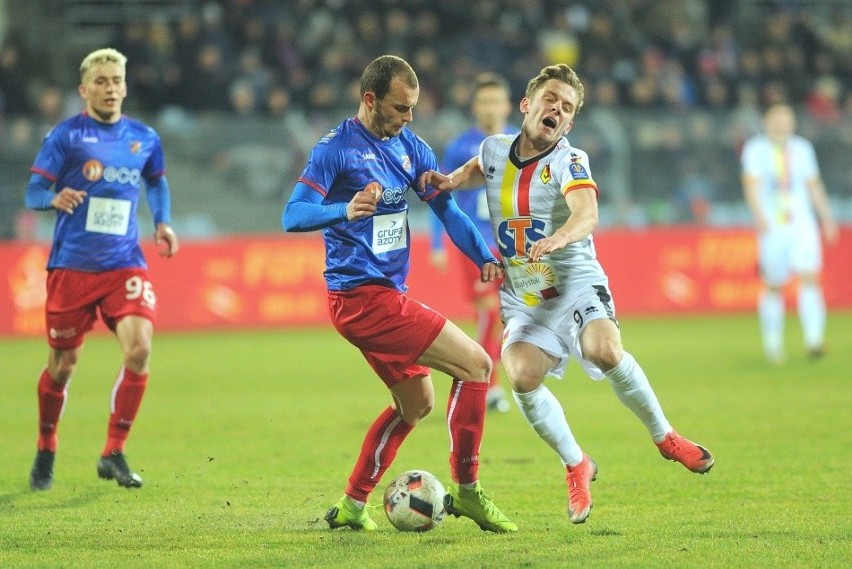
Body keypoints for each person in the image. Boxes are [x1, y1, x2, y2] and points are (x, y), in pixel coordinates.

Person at [420, 63, 714, 525]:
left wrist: (561, 238)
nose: (557, 109)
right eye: (550, 99)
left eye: (567, 107)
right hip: (527, 292)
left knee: (604, 349)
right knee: (519, 375)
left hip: (575, 281)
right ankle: (576, 463)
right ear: (527, 105)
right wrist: (452, 181)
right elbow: (482, 168)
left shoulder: (568, 160)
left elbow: (587, 212)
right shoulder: (495, 148)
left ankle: (665, 437)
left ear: (570, 123)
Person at [282, 55, 516, 533]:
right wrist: (342, 210)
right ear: (370, 100)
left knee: (416, 403)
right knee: (477, 365)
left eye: (413, 108)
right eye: (400, 108)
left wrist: (484, 258)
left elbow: (449, 211)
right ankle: (468, 491)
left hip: (381, 295)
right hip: (362, 299)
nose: (409, 118)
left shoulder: (411, 147)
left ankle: (352, 505)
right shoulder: (335, 150)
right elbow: (292, 215)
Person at [24, 48, 179, 491]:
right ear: (84, 89)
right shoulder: (66, 137)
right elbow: (33, 189)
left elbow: (156, 178)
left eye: (116, 81)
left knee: (140, 349)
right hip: (71, 267)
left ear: (125, 86)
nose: (110, 88)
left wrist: (163, 221)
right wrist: (52, 199)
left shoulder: (143, 137)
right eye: (102, 82)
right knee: (63, 364)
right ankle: (46, 443)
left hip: (124, 263)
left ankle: (113, 450)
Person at [430, 72, 517, 413]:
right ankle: (486, 382)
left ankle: (497, 378)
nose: (490, 108)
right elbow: (440, 195)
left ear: (508, 105)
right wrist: (437, 244)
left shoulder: (521, 142)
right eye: (484, 101)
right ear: (475, 107)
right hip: (474, 243)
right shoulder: (461, 147)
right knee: (490, 312)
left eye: (496, 100)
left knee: (512, 315)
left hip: (513, 242)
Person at [741, 103, 838, 363]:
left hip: (802, 224)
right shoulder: (755, 150)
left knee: (810, 277)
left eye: (785, 120)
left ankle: (814, 338)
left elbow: (813, 184)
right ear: (766, 123)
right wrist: (760, 217)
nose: (780, 125)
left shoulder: (803, 149)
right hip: (773, 226)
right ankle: (773, 344)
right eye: (776, 120)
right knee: (773, 285)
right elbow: (751, 185)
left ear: (793, 123)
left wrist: (826, 217)